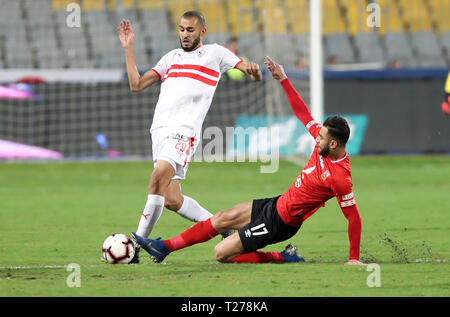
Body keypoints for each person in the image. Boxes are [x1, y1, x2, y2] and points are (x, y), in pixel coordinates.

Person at [132, 56, 366, 266]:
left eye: (322, 138)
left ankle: (284, 257)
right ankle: (164, 247)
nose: (317, 139)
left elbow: (353, 217)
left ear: (333, 144)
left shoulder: (340, 177)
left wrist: (354, 259)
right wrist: (283, 78)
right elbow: (302, 112)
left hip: (281, 223)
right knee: (222, 218)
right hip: (276, 204)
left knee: (221, 253)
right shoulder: (323, 143)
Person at [117, 11, 262, 263]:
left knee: (157, 178)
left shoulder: (216, 53)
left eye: (190, 30)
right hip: (159, 132)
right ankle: (225, 228)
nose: (185, 34)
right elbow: (136, 85)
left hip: (183, 131)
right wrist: (129, 48)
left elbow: (248, 71)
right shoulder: (170, 58)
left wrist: (253, 70)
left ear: (202, 32)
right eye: (182, 29)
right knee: (172, 199)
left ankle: (136, 247)